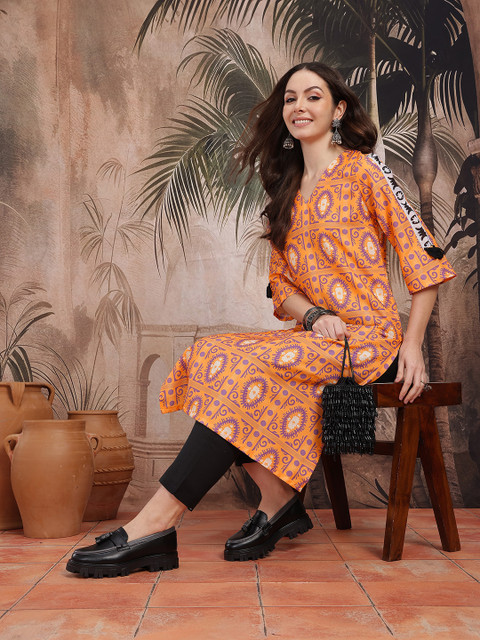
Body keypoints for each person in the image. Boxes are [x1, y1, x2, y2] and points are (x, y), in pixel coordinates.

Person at [66, 62, 456, 578]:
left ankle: (155, 525)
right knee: (211, 354)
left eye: (313, 96)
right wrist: (314, 315)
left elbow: (425, 257)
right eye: (290, 98)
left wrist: (411, 345)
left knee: (241, 367)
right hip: (314, 338)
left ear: (338, 109)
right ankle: (277, 500)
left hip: (370, 341)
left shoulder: (366, 171)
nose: (300, 106)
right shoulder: (285, 189)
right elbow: (282, 287)